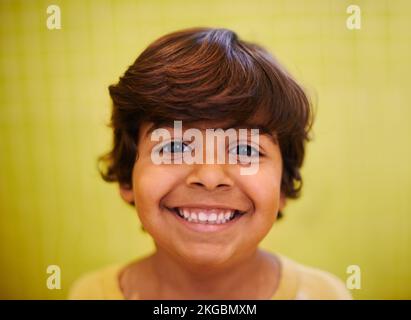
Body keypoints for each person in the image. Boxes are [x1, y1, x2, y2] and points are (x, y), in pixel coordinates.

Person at [68, 27, 352, 300]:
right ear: (128, 176)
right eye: (175, 147)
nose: (210, 176)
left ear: (283, 186)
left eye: (244, 149)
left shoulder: (326, 295)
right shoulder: (88, 294)